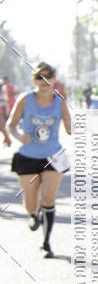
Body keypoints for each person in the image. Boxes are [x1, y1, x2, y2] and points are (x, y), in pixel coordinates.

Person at [8, 62, 71, 258]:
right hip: (28, 156)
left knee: (48, 199)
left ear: (54, 79)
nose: (44, 81)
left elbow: (70, 129)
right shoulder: (25, 100)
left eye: (48, 76)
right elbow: (11, 125)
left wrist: (67, 104)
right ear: (33, 80)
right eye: (39, 77)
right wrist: (19, 137)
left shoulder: (60, 101)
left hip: (53, 156)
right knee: (30, 204)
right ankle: (33, 214)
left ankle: (46, 243)